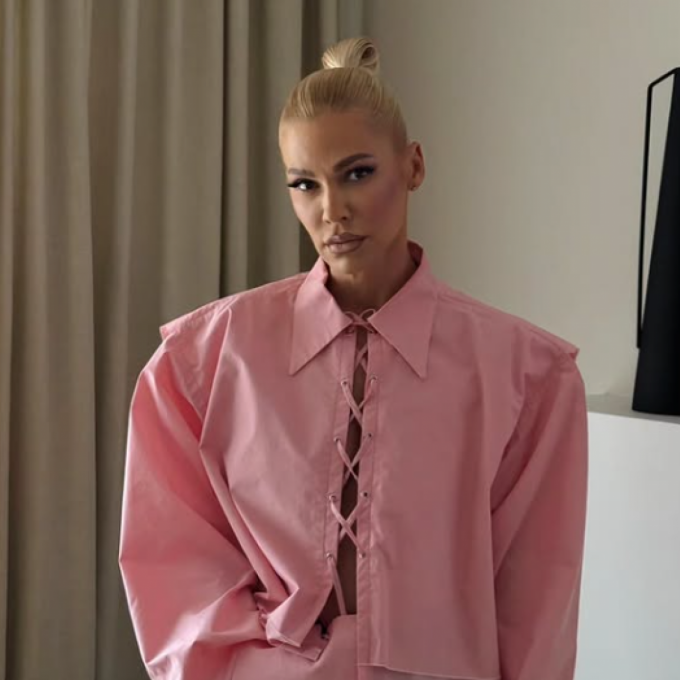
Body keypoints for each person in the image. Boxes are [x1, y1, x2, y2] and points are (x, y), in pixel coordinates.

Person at [119, 36, 588, 680]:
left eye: (357, 173)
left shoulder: (528, 377)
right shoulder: (201, 360)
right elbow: (171, 565)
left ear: (413, 166)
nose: (331, 210)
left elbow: (537, 602)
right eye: (304, 184)